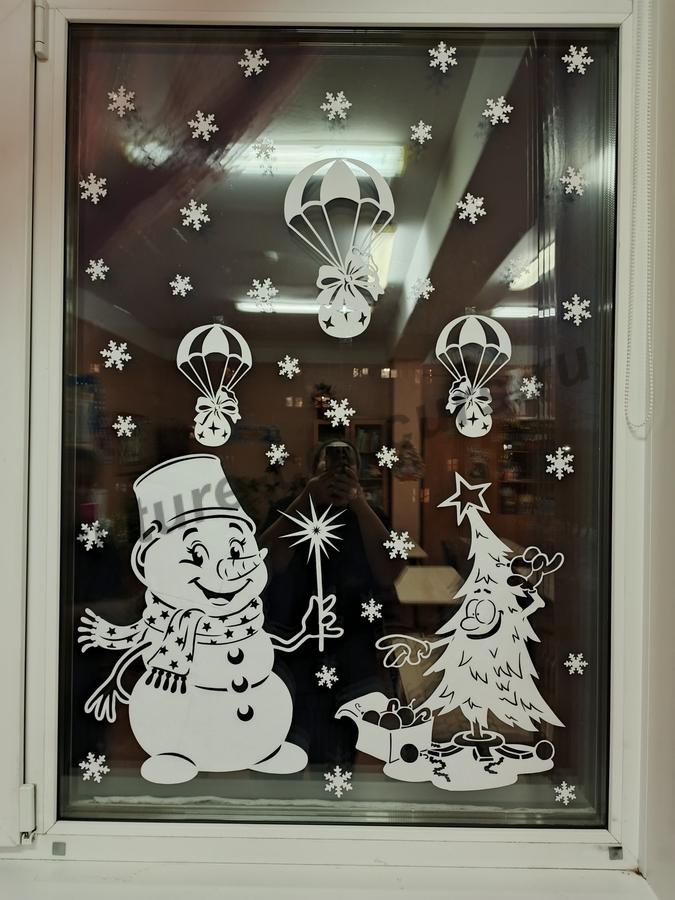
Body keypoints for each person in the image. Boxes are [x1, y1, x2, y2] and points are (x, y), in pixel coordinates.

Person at [260, 439, 404, 767]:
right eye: (328, 464)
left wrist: (359, 503)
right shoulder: (289, 508)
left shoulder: (370, 515)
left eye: (345, 465)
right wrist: (305, 500)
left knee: (341, 746)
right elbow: (265, 563)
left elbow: (390, 571)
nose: (336, 472)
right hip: (295, 648)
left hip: (353, 647)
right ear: (313, 472)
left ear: (357, 474)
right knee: (288, 741)